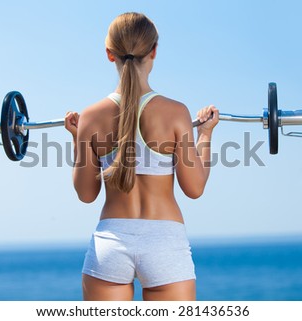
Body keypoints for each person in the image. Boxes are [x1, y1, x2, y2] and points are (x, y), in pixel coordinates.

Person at [64, 12, 219, 301]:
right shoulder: (175, 112)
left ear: (110, 54)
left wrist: (78, 137)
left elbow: (86, 194)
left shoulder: (91, 117)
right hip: (165, 245)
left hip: (111, 243)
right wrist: (206, 134)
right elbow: (194, 188)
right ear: (154, 52)